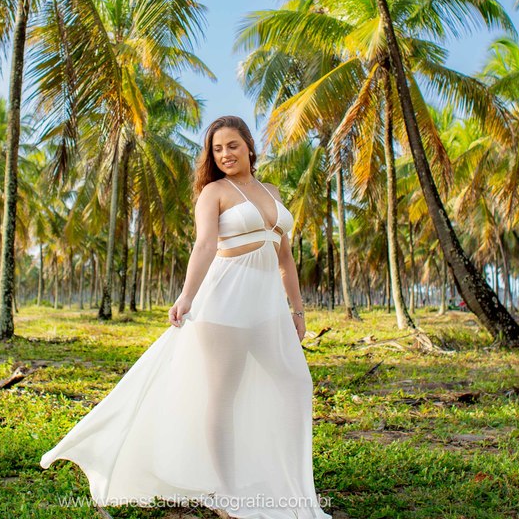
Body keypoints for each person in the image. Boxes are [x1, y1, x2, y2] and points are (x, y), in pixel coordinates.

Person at [40, 116, 332, 519]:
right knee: (221, 398)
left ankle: (279, 479)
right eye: (217, 149)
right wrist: (187, 296)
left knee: (295, 382)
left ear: (249, 145)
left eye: (232, 145)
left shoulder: (272, 191)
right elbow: (205, 246)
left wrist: (296, 309)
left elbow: (285, 258)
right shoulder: (213, 193)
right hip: (223, 307)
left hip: (265, 312)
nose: (225, 154)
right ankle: (227, 494)